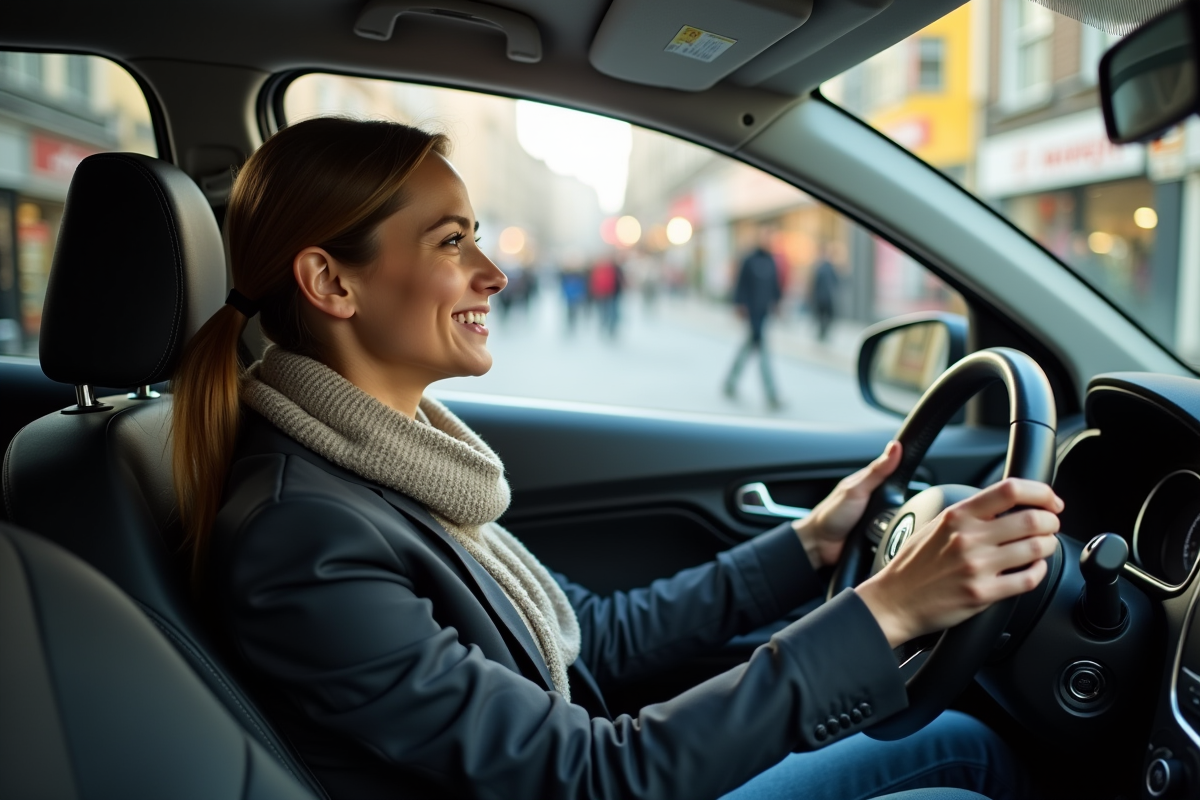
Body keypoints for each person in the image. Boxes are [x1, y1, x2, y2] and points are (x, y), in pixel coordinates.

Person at [173, 118, 1062, 800]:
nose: (494, 273)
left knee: (951, 739)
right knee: (961, 757)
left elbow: (592, 632)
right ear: (332, 282)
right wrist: (888, 608)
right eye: (450, 242)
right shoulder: (304, 536)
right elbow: (593, 777)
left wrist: (812, 544)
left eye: (477, 235)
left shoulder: (395, 464)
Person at [725, 232, 783, 409]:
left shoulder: (771, 261)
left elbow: (775, 286)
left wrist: (777, 303)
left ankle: (730, 383)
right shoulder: (749, 260)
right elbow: (741, 285)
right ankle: (771, 394)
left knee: (747, 349)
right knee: (762, 351)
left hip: (764, 313)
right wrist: (740, 305)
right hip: (752, 314)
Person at [812, 248, 840, 342]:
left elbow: (815, 284)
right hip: (827, 297)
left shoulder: (819, 268)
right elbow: (836, 282)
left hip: (820, 297)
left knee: (821, 316)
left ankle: (822, 332)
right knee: (828, 316)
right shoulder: (830, 268)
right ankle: (823, 332)